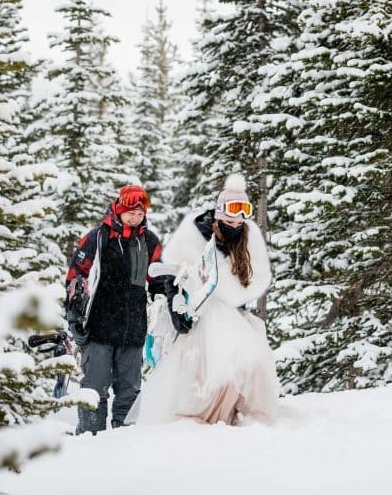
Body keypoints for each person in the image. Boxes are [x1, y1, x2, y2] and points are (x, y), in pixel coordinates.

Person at [130, 174, 280, 426]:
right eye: (233, 209)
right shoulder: (197, 232)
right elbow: (173, 274)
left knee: (248, 363)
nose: (237, 217)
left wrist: (236, 295)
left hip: (234, 316)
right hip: (200, 314)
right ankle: (199, 417)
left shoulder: (247, 236)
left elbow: (252, 279)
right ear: (220, 210)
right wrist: (177, 308)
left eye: (244, 210)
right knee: (203, 369)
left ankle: (239, 414)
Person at [65, 184, 166, 434]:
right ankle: (90, 439)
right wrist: (74, 316)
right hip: (98, 328)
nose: (135, 216)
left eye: (140, 213)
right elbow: (76, 276)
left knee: (129, 392)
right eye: (131, 211)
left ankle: (125, 441)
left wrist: (167, 295)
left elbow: (158, 280)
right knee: (94, 389)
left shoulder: (149, 242)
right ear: (119, 209)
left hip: (132, 330)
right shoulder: (98, 238)